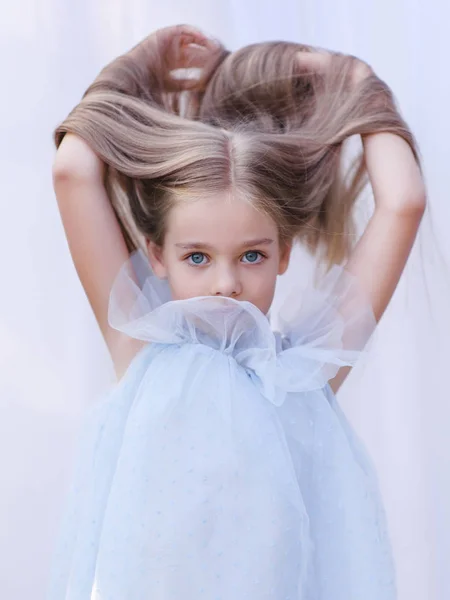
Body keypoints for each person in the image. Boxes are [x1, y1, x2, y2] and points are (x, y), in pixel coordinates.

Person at [48, 24, 426, 600]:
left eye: (252, 254)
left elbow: (404, 202)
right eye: (196, 256)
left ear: (284, 254)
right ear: (156, 254)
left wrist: (353, 80)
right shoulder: (141, 342)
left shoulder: (302, 371)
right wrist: (140, 64)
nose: (226, 284)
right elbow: (72, 170)